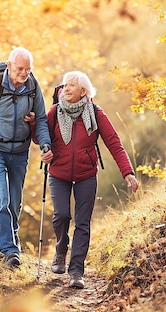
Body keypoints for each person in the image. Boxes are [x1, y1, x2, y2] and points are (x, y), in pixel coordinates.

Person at [35, 71, 139, 288]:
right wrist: (31, 125)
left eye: (72, 85)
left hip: (86, 175)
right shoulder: (55, 110)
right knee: (62, 215)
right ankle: (60, 250)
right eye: (65, 85)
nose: (66, 89)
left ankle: (76, 272)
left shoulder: (96, 113)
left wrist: (127, 173)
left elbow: (114, 143)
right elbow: (40, 134)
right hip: (58, 173)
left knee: (82, 223)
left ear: (84, 91)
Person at [0, 47, 53, 269]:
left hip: (20, 151)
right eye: (20, 69)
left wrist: (45, 143)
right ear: (9, 66)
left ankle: (12, 235)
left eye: (28, 69)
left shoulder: (33, 87)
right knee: (1, 199)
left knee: (15, 202)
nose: (24, 73)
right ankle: (9, 250)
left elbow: (43, 121)